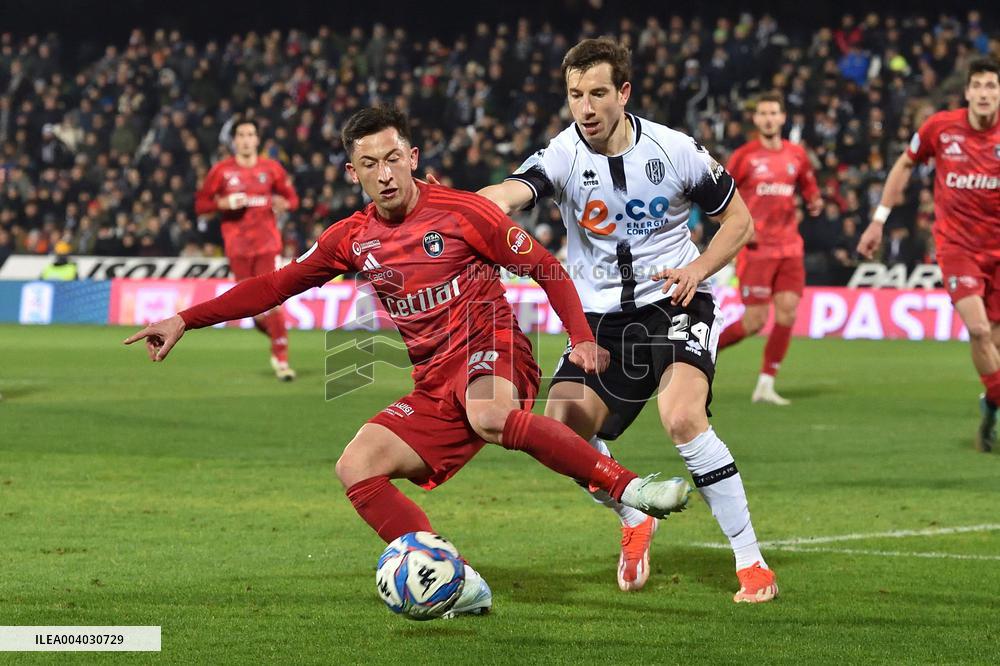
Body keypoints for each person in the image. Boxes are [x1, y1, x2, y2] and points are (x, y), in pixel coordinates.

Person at [125, 105, 693, 617]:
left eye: (394, 157)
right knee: (356, 466)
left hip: (494, 347)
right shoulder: (351, 237)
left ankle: (629, 490)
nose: (386, 173)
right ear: (354, 173)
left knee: (490, 414)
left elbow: (545, 266)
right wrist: (184, 318)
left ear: (413, 156)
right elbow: (274, 285)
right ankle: (458, 584)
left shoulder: (466, 212)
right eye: (370, 163)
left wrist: (580, 336)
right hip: (433, 381)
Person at [465, 38, 777, 602]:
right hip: (602, 318)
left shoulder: (676, 149)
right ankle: (633, 512)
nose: (585, 108)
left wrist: (698, 268)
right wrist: (466, 208)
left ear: (624, 93)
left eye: (598, 94)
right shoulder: (564, 153)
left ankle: (750, 562)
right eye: (575, 95)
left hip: (676, 301)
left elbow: (739, 220)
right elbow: (510, 192)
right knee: (561, 427)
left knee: (681, 417)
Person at [858, 57, 1000, 453]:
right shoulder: (940, 127)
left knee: (996, 346)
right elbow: (904, 164)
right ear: (968, 92)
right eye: (979, 86)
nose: (985, 93)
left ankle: (990, 406)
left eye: (992, 86)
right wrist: (878, 220)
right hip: (958, 248)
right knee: (978, 330)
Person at [717, 92, 823, 405]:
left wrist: (814, 201)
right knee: (754, 321)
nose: (768, 118)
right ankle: (702, 351)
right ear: (755, 119)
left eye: (773, 113)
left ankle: (766, 383)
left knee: (788, 313)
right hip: (757, 248)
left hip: (790, 247)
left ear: (782, 117)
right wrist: (735, 229)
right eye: (762, 113)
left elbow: (808, 186)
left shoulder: (796, 154)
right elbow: (721, 195)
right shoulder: (745, 156)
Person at [195, 116, 300, 381]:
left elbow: (292, 199)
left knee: (272, 302)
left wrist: (283, 203)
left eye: (250, 134)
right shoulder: (221, 171)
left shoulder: (272, 168)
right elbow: (201, 205)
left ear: (257, 139)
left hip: (266, 245)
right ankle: (279, 337)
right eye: (240, 135)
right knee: (253, 312)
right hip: (237, 248)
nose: (245, 140)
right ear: (234, 141)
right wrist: (224, 203)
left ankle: (282, 358)